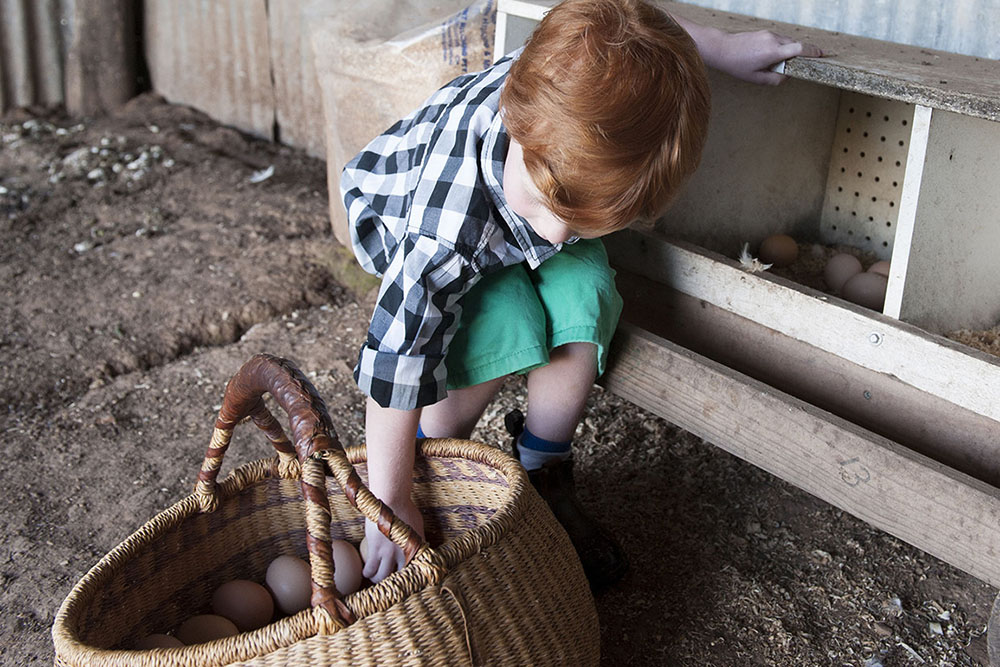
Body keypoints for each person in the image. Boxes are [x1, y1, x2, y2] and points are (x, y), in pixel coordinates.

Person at [341, 0, 821, 590]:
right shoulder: (440, 233)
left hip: (506, 209)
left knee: (585, 293)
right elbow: (398, 357)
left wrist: (717, 48)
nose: (558, 235)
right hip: (420, 216)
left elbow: (635, 33)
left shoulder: (576, 82)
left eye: (586, 219)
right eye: (550, 206)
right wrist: (386, 502)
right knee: (507, 324)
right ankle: (429, 464)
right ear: (517, 124)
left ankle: (544, 466)